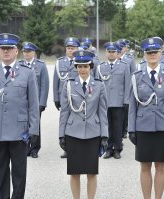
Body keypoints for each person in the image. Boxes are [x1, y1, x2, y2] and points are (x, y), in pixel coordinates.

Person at [0, 33, 39, 199]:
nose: (6, 51)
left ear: (16, 51)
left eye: (9, 48)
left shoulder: (27, 73)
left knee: (19, 175)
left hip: (19, 132)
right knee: (0, 174)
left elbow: (33, 104)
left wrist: (34, 129)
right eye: (2, 48)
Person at [128, 37, 164, 199]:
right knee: (145, 166)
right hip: (143, 126)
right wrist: (131, 129)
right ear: (144, 55)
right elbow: (132, 105)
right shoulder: (136, 77)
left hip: (163, 127)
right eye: (149, 52)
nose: (152, 55)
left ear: (160, 54)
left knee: (161, 166)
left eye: (155, 52)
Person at [59, 50, 108, 199]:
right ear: (75, 67)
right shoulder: (68, 85)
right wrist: (61, 134)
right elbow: (64, 112)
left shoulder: (99, 85)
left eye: (85, 66)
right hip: (73, 132)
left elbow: (102, 112)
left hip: (93, 133)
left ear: (91, 66)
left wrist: (105, 135)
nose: (82, 69)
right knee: (74, 172)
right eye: (79, 66)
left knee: (92, 172)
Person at [96, 42, 130, 159]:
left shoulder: (124, 66)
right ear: (106, 53)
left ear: (117, 53)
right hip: (104, 102)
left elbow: (127, 84)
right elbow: (97, 85)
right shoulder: (101, 67)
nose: (111, 54)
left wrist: (126, 100)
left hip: (119, 101)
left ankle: (118, 149)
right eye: (109, 52)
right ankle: (109, 148)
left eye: (113, 52)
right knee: (107, 126)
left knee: (118, 126)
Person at [20, 41, 49, 158]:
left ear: (34, 53)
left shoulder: (41, 66)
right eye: (24, 51)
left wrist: (42, 103)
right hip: (22, 102)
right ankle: (25, 147)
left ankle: (35, 149)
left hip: (36, 102)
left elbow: (44, 86)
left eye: (28, 51)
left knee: (35, 125)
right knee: (23, 125)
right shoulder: (19, 65)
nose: (26, 54)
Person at [53, 37, 80, 158]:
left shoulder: (81, 62)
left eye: (73, 48)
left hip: (78, 98)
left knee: (76, 122)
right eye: (68, 48)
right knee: (64, 122)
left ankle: (78, 147)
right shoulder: (60, 62)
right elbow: (55, 82)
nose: (70, 50)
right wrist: (56, 98)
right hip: (64, 98)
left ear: (77, 49)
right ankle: (66, 148)